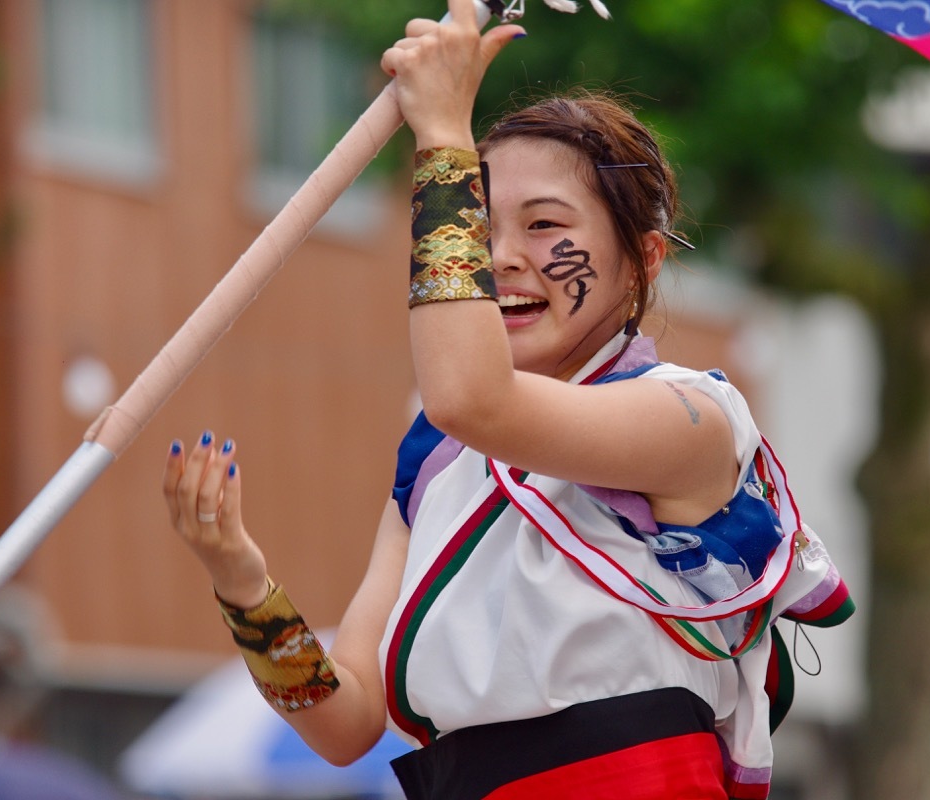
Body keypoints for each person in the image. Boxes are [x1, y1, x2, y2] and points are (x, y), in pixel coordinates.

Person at [161, 2, 853, 798]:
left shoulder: (689, 418)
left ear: (643, 259)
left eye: (543, 224)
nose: (501, 259)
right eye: (478, 226)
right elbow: (344, 725)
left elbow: (470, 396)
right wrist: (242, 581)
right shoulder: (436, 458)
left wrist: (446, 139)